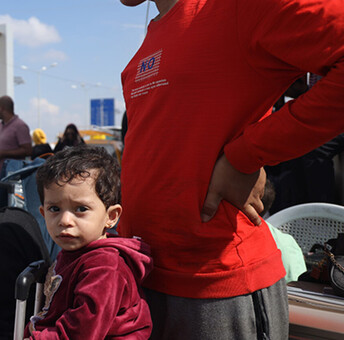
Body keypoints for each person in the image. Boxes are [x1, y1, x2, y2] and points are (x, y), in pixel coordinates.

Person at [118, 0, 344, 338]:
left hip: (213, 286)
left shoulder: (239, 7)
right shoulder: (155, 35)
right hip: (141, 274)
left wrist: (248, 154)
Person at [26, 145, 152, 339]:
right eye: (54, 209)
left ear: (111, 216)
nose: (65, 220)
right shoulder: (75, 252)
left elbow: (81, 331)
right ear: (43, 213)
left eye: (81, 208)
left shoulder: (105, 267)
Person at [0, 96, 32, 180]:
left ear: (1, 108)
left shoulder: (20, 126)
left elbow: (28, 150)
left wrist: (2, 153)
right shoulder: (0, 126)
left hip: (9, 180)